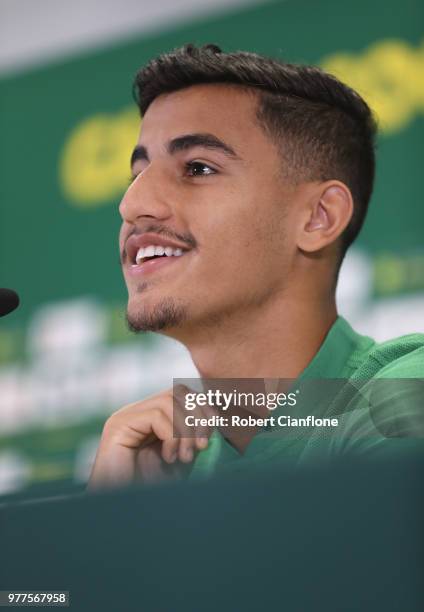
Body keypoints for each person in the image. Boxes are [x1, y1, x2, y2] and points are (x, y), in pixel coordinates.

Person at [89, 44, 424, 488]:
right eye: (136, 176)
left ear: (318, 217)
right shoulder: (162, 467)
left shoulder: (401, 392)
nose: (132, 204)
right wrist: (114, 509)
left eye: (198, 168)